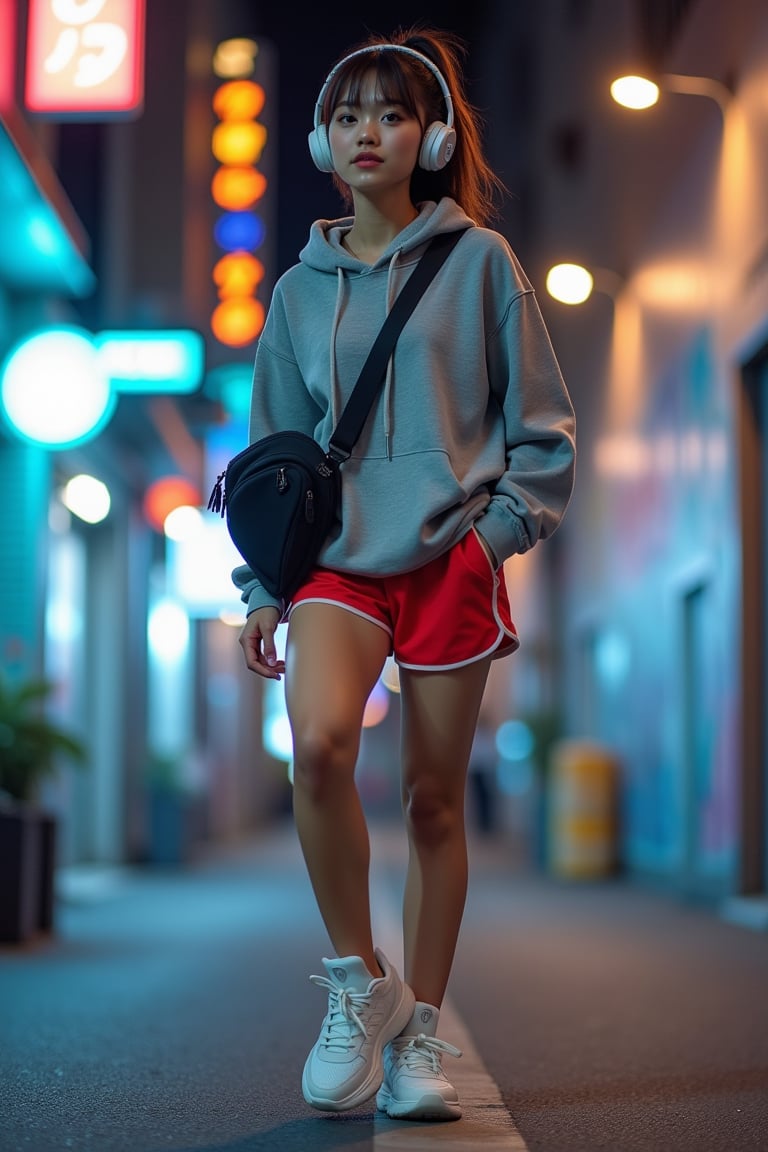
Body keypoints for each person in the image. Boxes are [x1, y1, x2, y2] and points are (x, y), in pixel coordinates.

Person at [233, 24, 576, 1122]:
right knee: (321, 750)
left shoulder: (480, 262)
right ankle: (359, 987)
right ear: (321, 143)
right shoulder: (296, 291)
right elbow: (272, 454)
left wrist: (496, 534)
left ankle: (421, 1039)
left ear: (430, 137)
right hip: (336, 565)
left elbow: (545, 431)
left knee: (434, 801)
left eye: (389, 113)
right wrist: (261, 587)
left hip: (449, 559)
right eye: (346, 115)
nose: (366, 130)